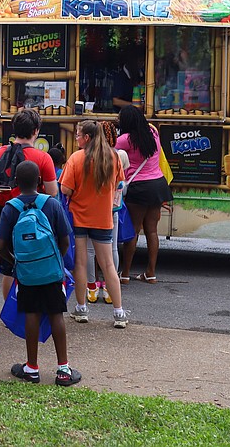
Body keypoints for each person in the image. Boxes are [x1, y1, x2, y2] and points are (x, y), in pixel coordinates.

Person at [0, 160, 80, 386]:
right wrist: (56, 261)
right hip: (51, 270)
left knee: (31, 312)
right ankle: (63, 369)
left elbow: (1, 245)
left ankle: (32, 368)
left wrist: (16, 264)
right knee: (56, 314)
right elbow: (64, 239)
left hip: (26, 272)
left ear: (15, 183)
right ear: (40, 181)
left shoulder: (11, 208)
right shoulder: (51, 204)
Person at [60, 119, 128, 328]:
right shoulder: (113, 157)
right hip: (103, 218)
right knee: (108, 264)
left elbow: (65, 189)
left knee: (81, 262)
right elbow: (119, 183)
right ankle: (119, 313)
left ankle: (81, 309)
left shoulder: (76, 158)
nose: (77, 138)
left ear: (86, 138)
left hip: (80, 217)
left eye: (78, 135)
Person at [0, 109, 60, 297]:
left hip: (6, 212)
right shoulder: (43, 158)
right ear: (36, 131)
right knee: (35, 259)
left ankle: (9, 310)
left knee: (8, 268)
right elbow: (53, 192)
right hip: (35, 217)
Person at [116, 105, 172, 285]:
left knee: (132, 231)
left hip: (139, 187)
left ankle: (124, 274)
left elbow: (111, 151)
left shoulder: (125, 140)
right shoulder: (153, 133)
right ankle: (151, 273)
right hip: (158, 184)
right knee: (152, 231)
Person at [84, 122, 130, 304]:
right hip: (112, 210)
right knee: (112, 249)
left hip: (90, 210)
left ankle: (91, 288)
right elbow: (121, 184)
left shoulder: (87, 156)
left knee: (89, 251)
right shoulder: (119, 156)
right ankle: (110, 289)